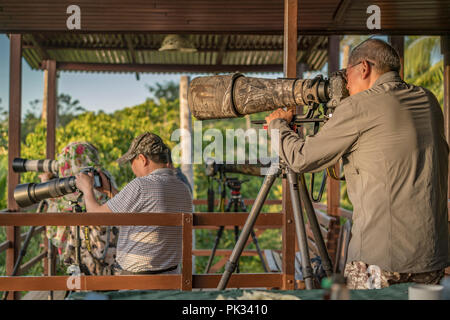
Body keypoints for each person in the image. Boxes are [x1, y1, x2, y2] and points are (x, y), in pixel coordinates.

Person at [265, 39, 449, 289]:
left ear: (364, 67)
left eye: (346, 73)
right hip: (432, 257)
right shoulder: (428, 100)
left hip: (379, 261)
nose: (346, 83)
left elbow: (299, 159)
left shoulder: (359, 106)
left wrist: (278, 125)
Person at [76, 132, 193, 275]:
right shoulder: (183, 188)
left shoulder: (141, 185)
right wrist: (110, 191)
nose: (132, 168)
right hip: (172, 276)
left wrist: (87, 189)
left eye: (132, 162)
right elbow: (142, 207)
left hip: (136, 279)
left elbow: (97, 217)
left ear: (142, 159)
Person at [41, 141, 118, 276]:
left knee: (82, 282)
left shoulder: (68, 185)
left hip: (82, 252)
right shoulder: (103, 177)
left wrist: (45, 183)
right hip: (111, 250)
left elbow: (55, 208)